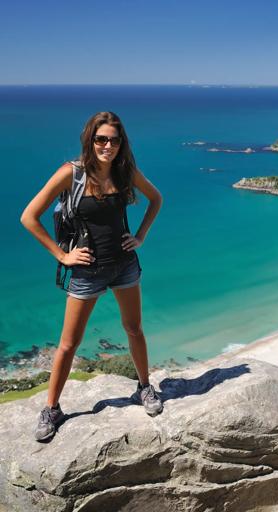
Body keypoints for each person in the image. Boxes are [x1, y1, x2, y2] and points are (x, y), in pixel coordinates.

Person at [21, 111, 164, 442]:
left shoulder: (124, 171)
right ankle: (52, 408)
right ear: (90, 140)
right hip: (86, 271)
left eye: (114, 140)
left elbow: (156, 199)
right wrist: (61, 255)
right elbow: (29, 217)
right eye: (101, 139)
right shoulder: (71, 174)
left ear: (120, 143)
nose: (108, 146)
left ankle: (144, 388)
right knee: (69, 344)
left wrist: (140, 236)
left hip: (124, 264)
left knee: (134, 329)